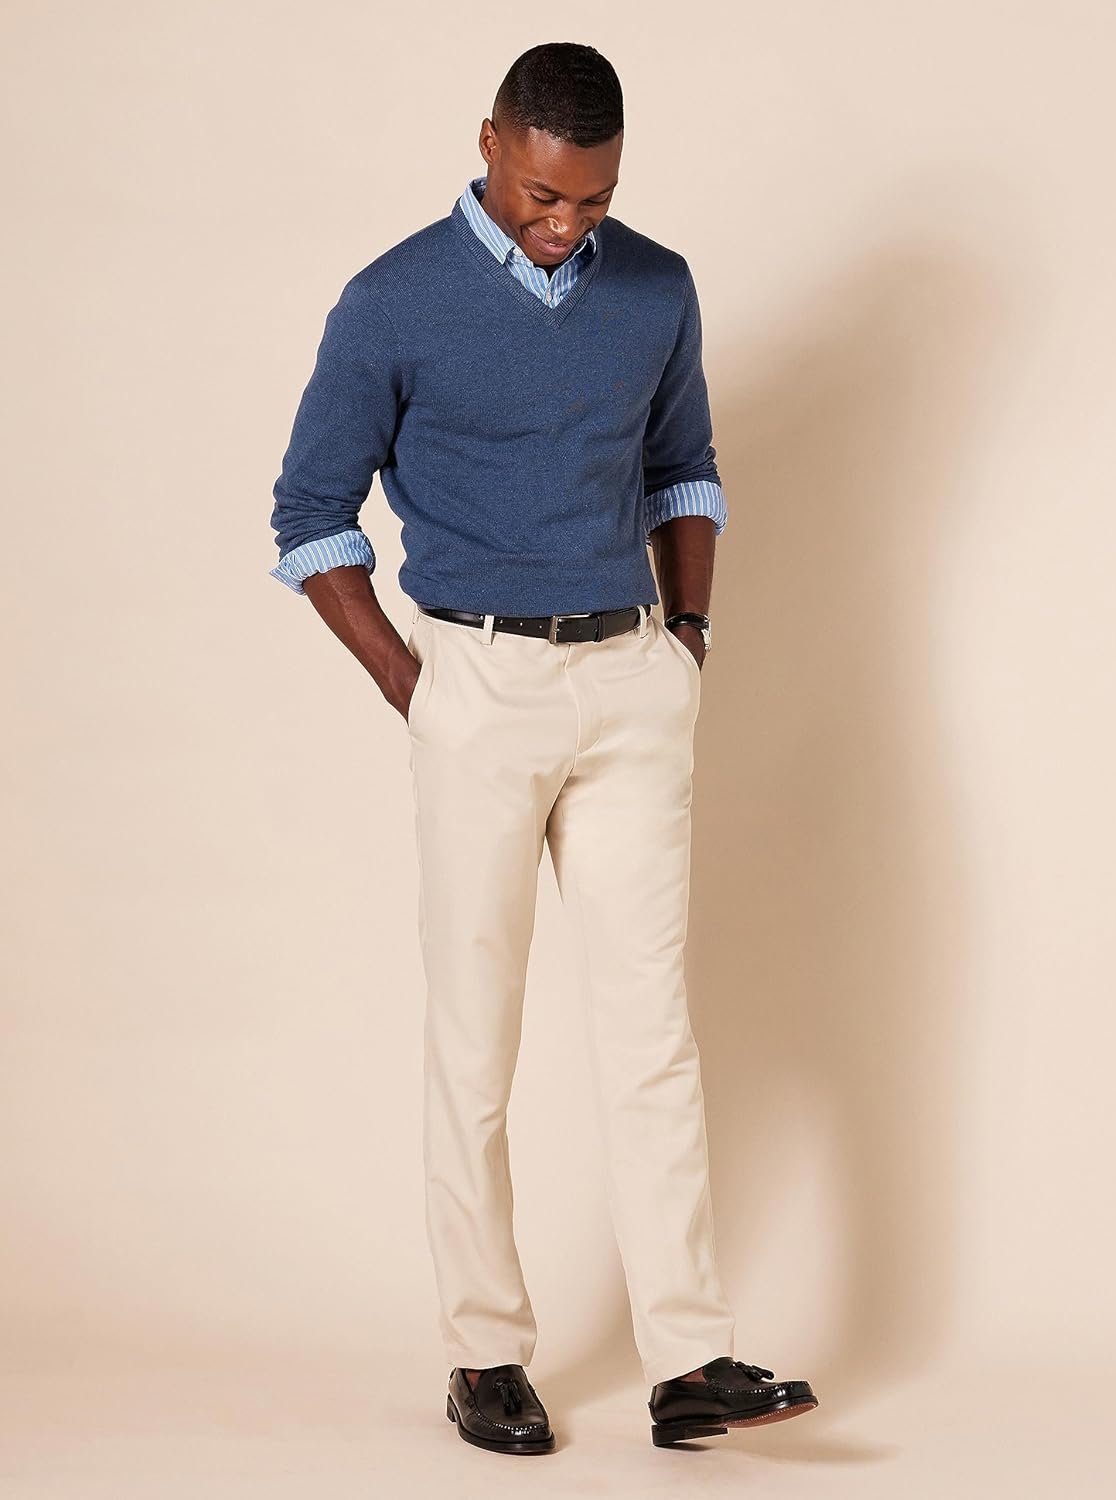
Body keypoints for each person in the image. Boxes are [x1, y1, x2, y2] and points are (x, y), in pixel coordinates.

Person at [266, 42, 818, 1454]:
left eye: (594, 198)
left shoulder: (658, 288)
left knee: (652, 1034)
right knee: (476, 1037)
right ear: (491, 143)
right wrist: (417, 687)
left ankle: (689, 1359)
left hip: (631, 680)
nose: (567, 224)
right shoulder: (393, 301)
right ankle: (484, 1351)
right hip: (479, 682)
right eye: (542, 195)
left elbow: (684, 469)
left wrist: (687, 640)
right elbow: (311, 515)